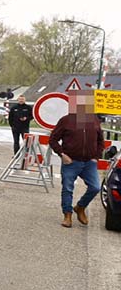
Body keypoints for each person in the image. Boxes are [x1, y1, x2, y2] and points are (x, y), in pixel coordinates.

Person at [49, 90, 105, 227]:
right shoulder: (66, 120)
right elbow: (53, 140)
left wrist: (96, 157)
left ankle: (80, 207)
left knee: (95, 187)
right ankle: (67, 215)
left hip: (89, 162)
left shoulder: (94, 120)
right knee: (67, 188)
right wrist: (62, 154)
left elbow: (101, 141)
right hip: (71, 161)